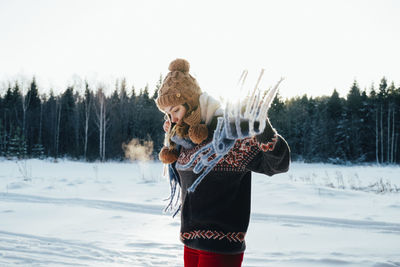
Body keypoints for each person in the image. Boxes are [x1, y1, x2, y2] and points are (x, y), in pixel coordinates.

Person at [155, 58, 290, 267]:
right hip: (190, 240)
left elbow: (278, 165)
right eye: (168, 113)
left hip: (221, 245)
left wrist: (262, 130)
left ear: (191, 105)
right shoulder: (185, 141)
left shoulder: (227, 137)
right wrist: (173, 143)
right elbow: (188, 185)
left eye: (176, 110)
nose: (172, 119)